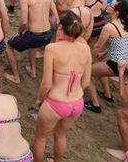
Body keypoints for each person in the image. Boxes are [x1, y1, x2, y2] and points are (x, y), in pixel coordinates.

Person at [32, 10, 92, 162]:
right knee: (60, 135)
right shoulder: (86, 49)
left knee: (40, 138)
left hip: (56, 103)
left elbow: (46, 83)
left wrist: (40, 99)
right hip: (77, 103)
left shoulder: (52, 49)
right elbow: (85, 82)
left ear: (60, 28)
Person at [5, 0, 57, 84]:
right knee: (32, 44)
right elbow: (55, 17)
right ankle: (33, 71)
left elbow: (23, 21)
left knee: (8, 47)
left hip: (35, 35)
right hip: (47, 35)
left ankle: (16, 77)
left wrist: (20, 32)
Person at [84, 0, 128, 114]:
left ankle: (95, 104)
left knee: (86, 72)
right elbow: (120, 43)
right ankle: (108, 95)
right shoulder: (127, 22)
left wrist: (88, 60)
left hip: (116, 63)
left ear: (116, 12)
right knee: (101, 65)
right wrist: (103, 54)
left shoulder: (110, 27)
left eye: (110, 5)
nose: (108, 5)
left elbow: (97, 47)